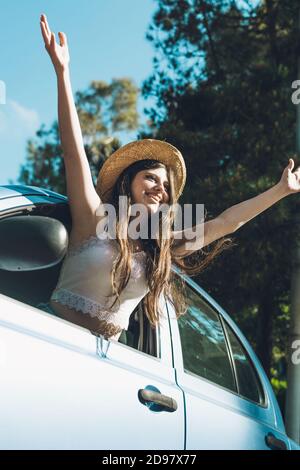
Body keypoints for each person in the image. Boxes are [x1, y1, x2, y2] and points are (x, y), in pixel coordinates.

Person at [39, 13, 300, 342]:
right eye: (150, 178)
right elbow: (73, 153)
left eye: (166, 187)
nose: (160, 190)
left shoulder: (161, 249)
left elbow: (226, 223)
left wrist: (280, 190)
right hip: (52, 345)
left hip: (105, 368)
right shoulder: (93, 219)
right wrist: (62, 73)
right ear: (128, 182)